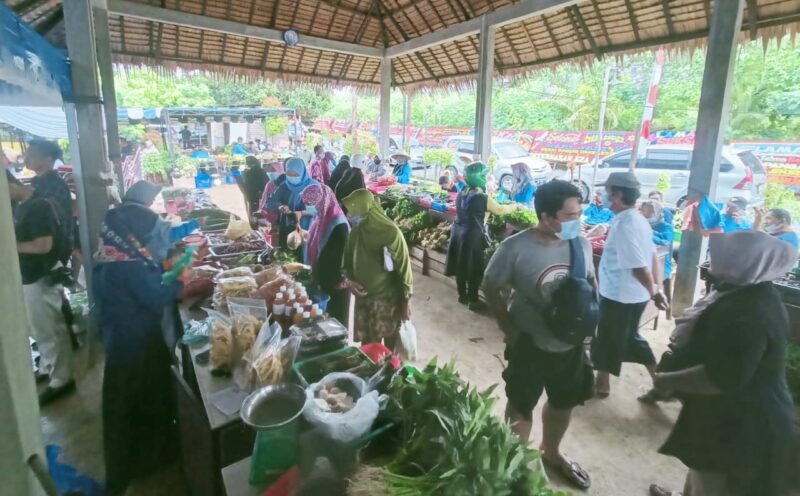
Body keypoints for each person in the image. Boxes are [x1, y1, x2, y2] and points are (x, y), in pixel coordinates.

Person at [649, 231, 796, 496]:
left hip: (741, 421)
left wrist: (668, 380)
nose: (713, 259)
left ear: (746, 262)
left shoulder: (750, 313)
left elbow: (722, 377)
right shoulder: (746, 292)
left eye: (725, 255)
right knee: (699, 471)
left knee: (713, 482)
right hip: (724, 410)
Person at [483, 180, 595, 490]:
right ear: (546, 217)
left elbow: (589, 289)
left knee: (563, 402)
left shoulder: (581, 245)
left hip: (569, 346)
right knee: (521, 404)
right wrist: (509, 330)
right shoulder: (515, 248)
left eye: (579, 214)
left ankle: (552, 452)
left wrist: (586, 337)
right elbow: (491, 286)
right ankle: (514, 459)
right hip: (529, 344)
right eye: (570, 216)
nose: (578, 222)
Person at [93, 203, 188, 496]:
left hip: (128, 342)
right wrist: (180, 282)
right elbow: (153, 297)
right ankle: (145, 464)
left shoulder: (116, 254)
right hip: (134, 346)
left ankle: (149, 457)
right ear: (131, 235)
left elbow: (151, 275)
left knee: (143, 401)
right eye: (149, 234)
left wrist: (170, 270)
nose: (154, 240)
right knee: (145, 400)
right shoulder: (125, 265)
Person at [592, 172, 668, 398]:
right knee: (608, 338)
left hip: (621, 295)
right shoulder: (636, 219)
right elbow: (653, 255)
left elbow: (638, 266)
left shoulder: (627, 224)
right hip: (627, 293)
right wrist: (656, 288)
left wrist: (655, 291)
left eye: (607, 193)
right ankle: (602, 381)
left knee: (625, 340)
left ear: (617, 195)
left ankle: (663, 385)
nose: (604, 197)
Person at [341, 189, 412, 347]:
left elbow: (404, 268)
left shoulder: (391, 233)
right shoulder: (356, 233)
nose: (350, 217)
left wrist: (405, 301)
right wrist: (349, 282)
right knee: (368, 345)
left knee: (389, 346)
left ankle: (389, 371)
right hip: (364, 300)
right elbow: (345, 264)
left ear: (367, 211)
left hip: (387, 300)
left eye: (354, 212)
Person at [446, 162, 519, 311]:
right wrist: (515, 206)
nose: (487, 178)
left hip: (458, 232)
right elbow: (500, 210)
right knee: (475, 269)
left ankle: (462, 296)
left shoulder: (463, 192)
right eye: (485, 175)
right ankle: (473, 300)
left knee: (462, 266)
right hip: (472, 236)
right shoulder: (481, 197)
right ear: (478, 177)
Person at [301, 184, 350, 324]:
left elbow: (343, 256)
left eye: (311, 204)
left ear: (322, 202)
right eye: (307, 204)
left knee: (336, 321)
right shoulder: (320, 217)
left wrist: (337, 280)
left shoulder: (338, 224)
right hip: (323, 278)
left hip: (336, 282)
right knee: (323, 321)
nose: (308, 207)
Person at [122, 181, 201, 263]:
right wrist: (195, 223)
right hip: (151, 263)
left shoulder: (125, 210)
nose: (153, 199)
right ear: (143, 196)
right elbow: (169, 235)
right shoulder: (142, 215)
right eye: (151, 196)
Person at [267, 157, 318, 254]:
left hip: (308, 227)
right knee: (288, 256)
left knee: (306, 254)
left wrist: (302, 213)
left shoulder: (313, 186)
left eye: (295, 174)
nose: (292, 177)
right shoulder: (284, 186)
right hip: (287, 228)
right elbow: (270, 201)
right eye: (289, 174)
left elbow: (320, 208)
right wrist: (280, 206)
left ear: (302, 172)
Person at [640, 199, 675, 319]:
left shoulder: (666, 227)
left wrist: (648, 231)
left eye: (649, 213)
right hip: (645, 262)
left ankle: (646, 313)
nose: (645, 215)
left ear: (658, 213)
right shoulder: (641, 224)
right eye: (644, 212)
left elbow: (664, 242)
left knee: (642, 276)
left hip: (662, 265)